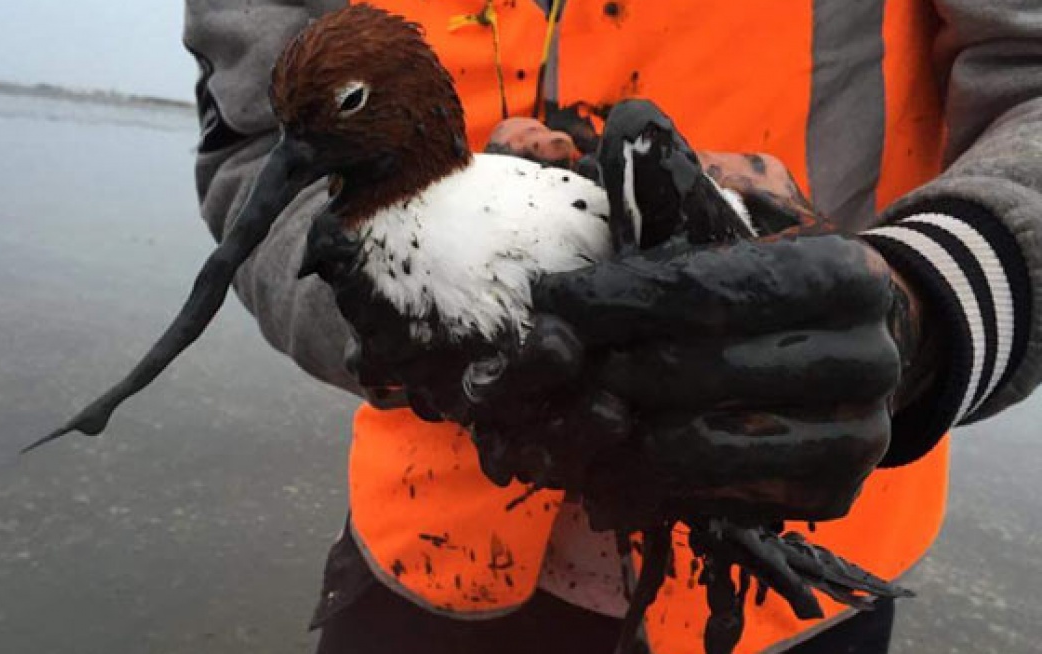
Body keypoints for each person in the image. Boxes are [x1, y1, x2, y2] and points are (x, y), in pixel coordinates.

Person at [182, 1, 1041, 652]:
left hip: (791, 541)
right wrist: (400, 320)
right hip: (432, 533)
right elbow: (260, 146)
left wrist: (926, 308)